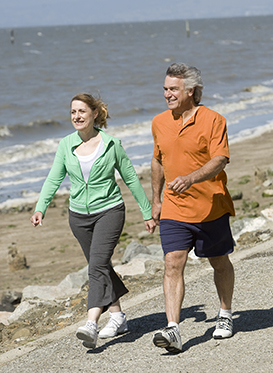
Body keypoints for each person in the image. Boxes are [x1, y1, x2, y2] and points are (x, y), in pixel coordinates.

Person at [30, 92, 155, 349]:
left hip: (109, 211)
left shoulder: (111, 144)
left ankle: (91, 323)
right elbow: (54, 179)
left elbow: (130, 178)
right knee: (101, 266)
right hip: (78, 217)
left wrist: (147, 212)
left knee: (96, 267)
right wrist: (41, 207)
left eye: (81, 112)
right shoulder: (66, 145)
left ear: (94, 114)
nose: (76, 116)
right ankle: (118, 316)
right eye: (73, 112)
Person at [151, 63, 235, 353]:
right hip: (174, 207)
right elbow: (158, 160)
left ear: (192, 91)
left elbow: (220, 159)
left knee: (219, 261)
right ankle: (172, 329)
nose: (167, 94)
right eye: (165, 89)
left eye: (173, 89)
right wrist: (156, 199)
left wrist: (191, 178)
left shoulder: (214, 120)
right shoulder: (159, 122)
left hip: (210, 205)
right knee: (173, 261)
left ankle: (225, 315)